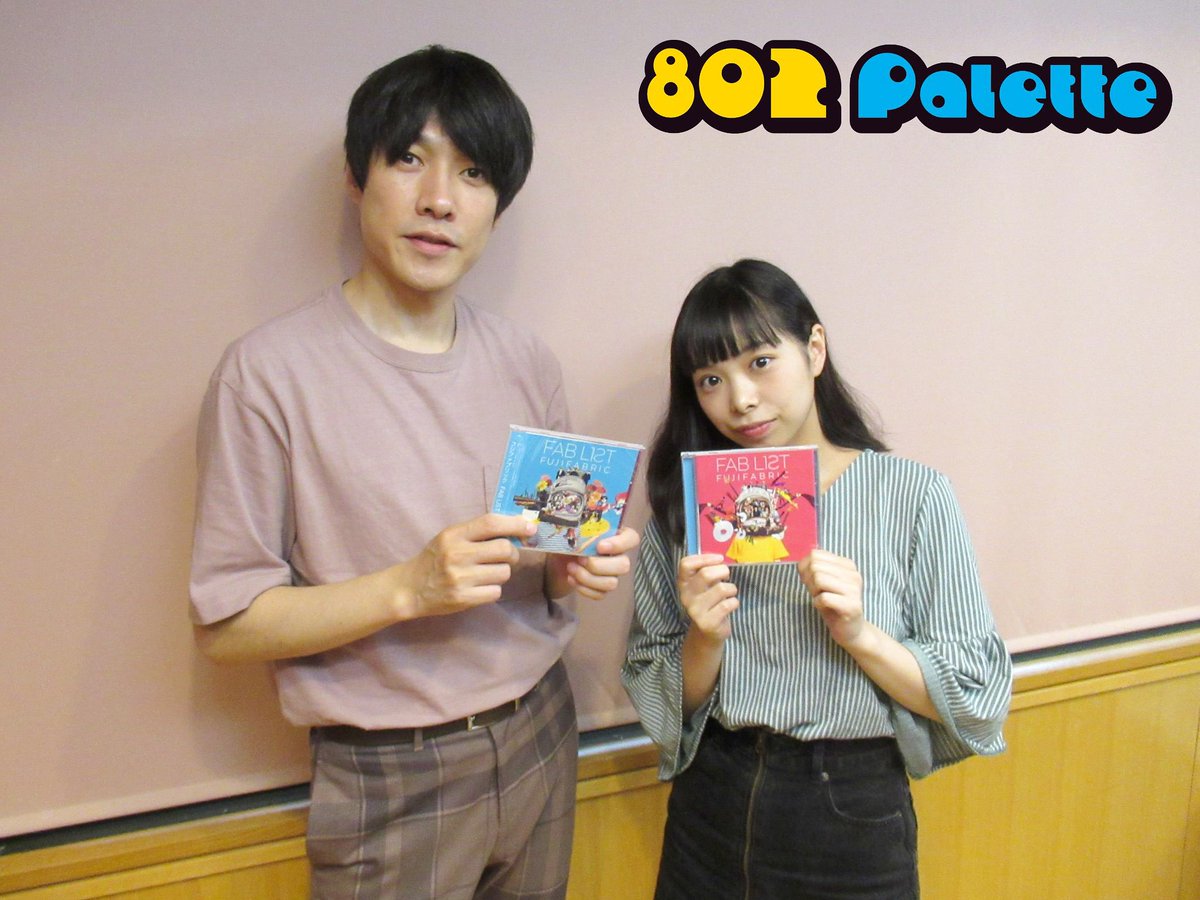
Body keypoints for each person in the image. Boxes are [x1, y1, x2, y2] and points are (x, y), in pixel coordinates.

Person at [189, 46, 639, 899]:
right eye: (408, 158)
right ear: (356, 177)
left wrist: (573, 568)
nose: (440, 199)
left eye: (474, 173)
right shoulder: (266, 373)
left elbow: (550, 564)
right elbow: (228, 626)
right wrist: (409, 587)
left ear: (497, 206)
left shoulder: (526, 361)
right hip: (391, 767)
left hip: (544, 725)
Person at [621, 259, 1011, 899]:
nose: (740, 400)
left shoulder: (911, 494)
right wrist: (704, 638)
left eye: (760, 362)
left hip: (849, 806)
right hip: (712, 798)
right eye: (711, 379)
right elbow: (660, 699)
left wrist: (859, 634)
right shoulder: (691, 505)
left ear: (815, 349)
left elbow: (978, 697)